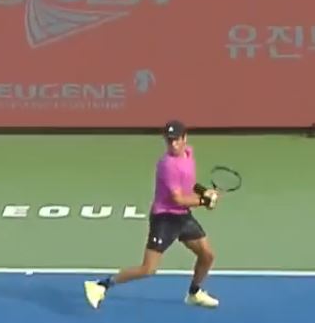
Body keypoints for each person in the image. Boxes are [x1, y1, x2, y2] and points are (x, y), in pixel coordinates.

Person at [84, 120, 220, 309]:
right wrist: (204, 201)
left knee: (207, 255)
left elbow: (189, 184)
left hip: (182, 217)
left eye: (176, 140)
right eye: (169, 140)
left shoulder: (189, 155)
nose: (173, 144)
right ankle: (101, 285)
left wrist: (204, 191)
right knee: (148, 269)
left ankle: (194, 293)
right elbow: (178, 199)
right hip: (164, 219)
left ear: (184, 138)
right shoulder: (168, 165)